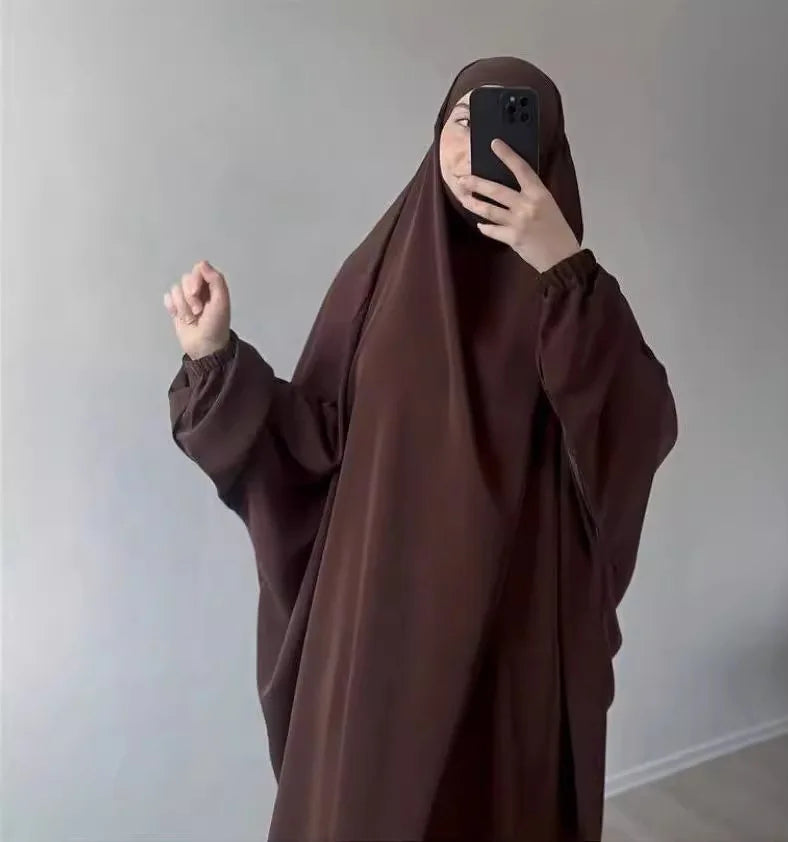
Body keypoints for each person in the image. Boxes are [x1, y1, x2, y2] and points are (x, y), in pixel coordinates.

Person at [165, 57, 677, 842]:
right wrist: (214, 359)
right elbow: (310, 445)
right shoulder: (377, 278)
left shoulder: (574, 298)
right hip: (377, 633)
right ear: (436, 134)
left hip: (511, 647)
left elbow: (634, 426)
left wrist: (561, 265)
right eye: (462, 121)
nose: (477, 144)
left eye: (508, 125)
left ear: (545, 154)